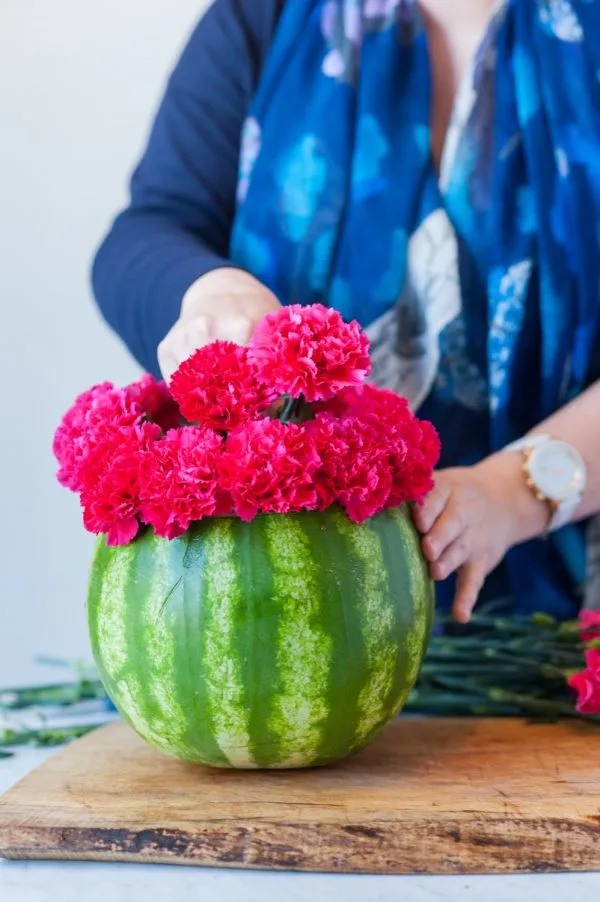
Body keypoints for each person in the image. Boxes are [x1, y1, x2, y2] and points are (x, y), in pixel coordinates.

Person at [92, 0, 600, 623]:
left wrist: (514, 491)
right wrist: (209, 287)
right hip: (265, 612)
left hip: (552, 634)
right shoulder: (267, 15)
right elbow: (149, 229)